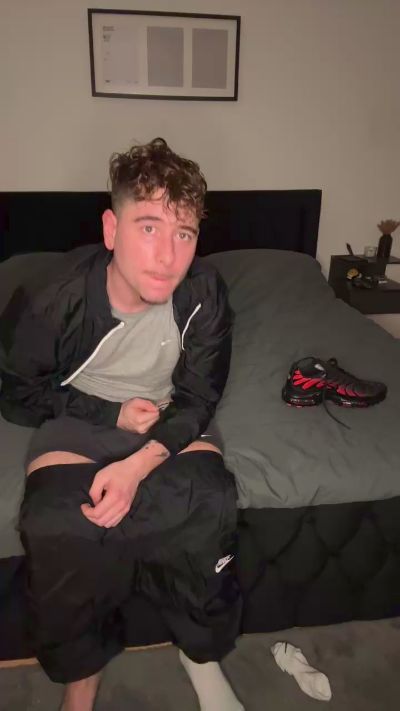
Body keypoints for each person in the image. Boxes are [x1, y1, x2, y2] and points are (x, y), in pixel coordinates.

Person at [0, 138, 244, 711]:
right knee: (59, 524)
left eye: (184, 233)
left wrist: (136, 467)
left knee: (208, 501)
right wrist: (108, 413)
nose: (167, 255)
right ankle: (81, 680)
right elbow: (16, 395)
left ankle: (199, 655)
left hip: (167, 413)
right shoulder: (49, 299)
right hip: (77, 412)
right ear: (111, 229)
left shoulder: (205, 293)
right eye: (149, 227)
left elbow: (199, 398)